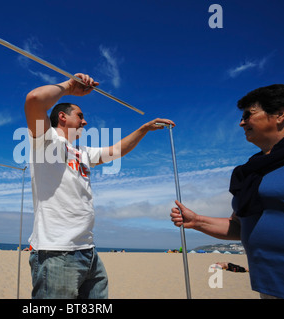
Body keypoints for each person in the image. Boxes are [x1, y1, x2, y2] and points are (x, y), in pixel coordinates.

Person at [24, 73, 175, 299]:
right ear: (62, 117)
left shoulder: (82, 152)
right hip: (57, 252)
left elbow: (116, 151)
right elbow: (34, 99)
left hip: (88, 252)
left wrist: (144, 129)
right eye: (80, 116)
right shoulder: (45, 141)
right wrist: (69, 86)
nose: (85, 121)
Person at [170, 84, 284, 299]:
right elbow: (239, 226)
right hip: (270, 285)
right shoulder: (251, 172)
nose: (241, 122)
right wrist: (196, 220)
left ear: (280, 114)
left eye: (249, 115)